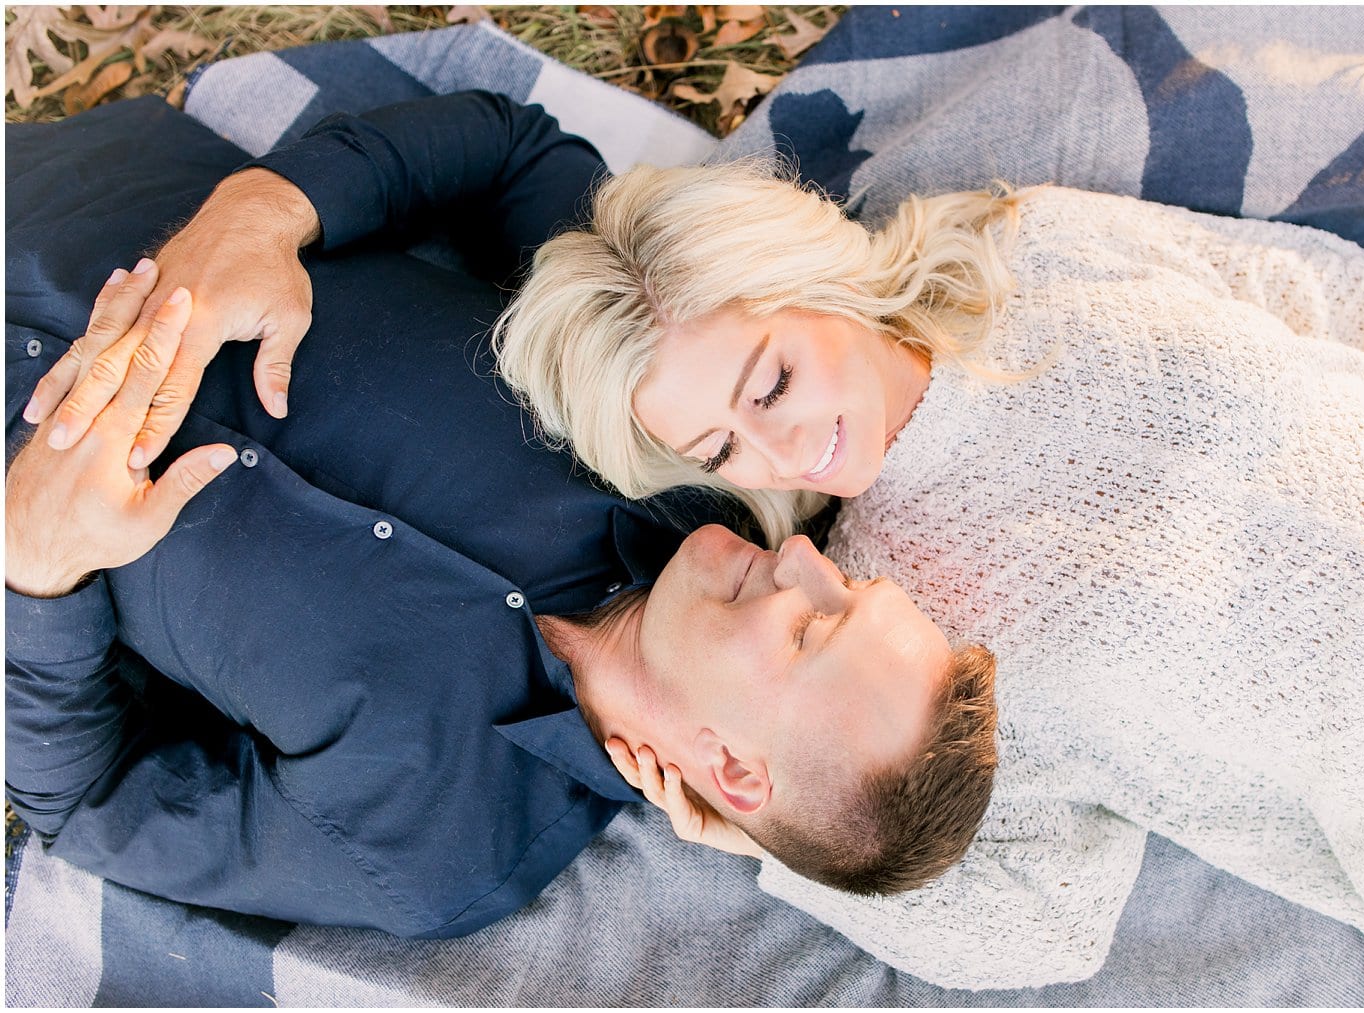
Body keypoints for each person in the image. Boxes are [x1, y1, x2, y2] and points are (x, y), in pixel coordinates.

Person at [490, 160, 1364, 991]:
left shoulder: (1038, 248)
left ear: (815, 280)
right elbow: (1042, 921)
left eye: (772, 382)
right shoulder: (883, 630)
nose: (778, 453)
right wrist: (768, 841)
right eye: (717, 451)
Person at [4, 95, 999, 938]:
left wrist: (37, 574)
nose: (803, 561)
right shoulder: (675, 434)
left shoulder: (440, 851)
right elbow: (514, 151)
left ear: (732, 768)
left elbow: (93, 806)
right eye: (849, 580)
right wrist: (267, 210)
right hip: (67, 187)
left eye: (813, 625)